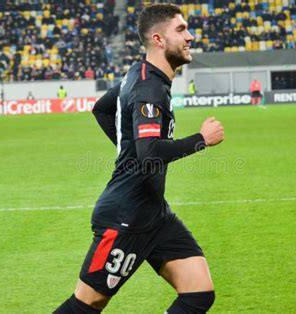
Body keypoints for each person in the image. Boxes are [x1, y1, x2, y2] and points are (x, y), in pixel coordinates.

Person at [54, 4, 224, 313]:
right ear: (159, 39)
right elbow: (149, 154)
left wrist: (128, 151)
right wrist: (201, 140)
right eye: (181, 29)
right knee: (87, 303)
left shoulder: (139, 74)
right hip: (126, 217)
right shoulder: (149, 87)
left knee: (199, 291)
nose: (190, 37)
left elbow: (102, 109)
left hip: (154, 213)